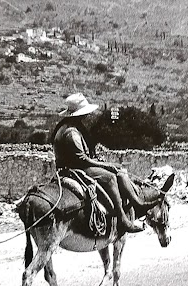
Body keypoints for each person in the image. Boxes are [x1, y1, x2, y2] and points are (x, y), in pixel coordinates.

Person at [51, 93, 162, 234]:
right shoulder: (71, 133)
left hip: (77, 166)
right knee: (110, 177)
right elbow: (82, 160)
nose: (86, 116)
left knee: (120, 171)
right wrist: (105, 165)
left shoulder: (68, 127)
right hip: (75, 170)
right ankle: (122, 218)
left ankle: (137, 202)